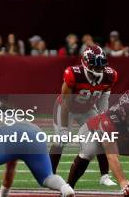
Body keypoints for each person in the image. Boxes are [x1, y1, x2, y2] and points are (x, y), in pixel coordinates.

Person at [67, 90, 129, 197]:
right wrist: (123, 182)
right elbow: (112, 156)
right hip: (92, 132)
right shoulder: (110, 121)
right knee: (90, 151)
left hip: (120, 138)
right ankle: (68, 188)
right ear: (122, 112)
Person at [0, 112, 76, 197]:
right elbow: (11, 165)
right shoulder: (3, 117)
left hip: (12, 134)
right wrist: (4, 195)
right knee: (47, 177)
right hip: (35, 132)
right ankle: (67, 190)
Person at [49, 45, 117, 186]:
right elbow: (66, 101)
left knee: (102, 135)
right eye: (95, 66)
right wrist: (63, 128)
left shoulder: (110, 76)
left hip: (87, 108)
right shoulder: (74, 74)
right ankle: (49, 174)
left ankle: (104, 175)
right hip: (66, 107)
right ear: (86, 63)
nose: (99, 69)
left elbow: (104, 98)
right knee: (60, 140)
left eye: (101, 66)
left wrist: (103, 118)